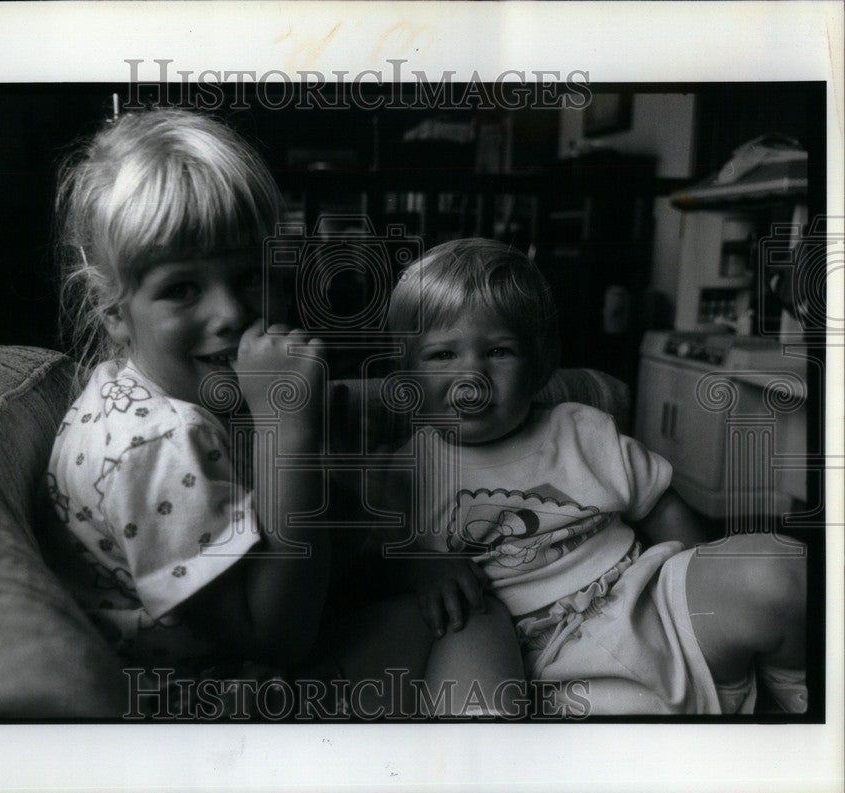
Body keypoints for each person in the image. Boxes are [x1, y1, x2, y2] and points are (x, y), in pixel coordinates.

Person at [43, 109, 522, 719]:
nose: (230, 313)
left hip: (232, 668)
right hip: (212, 709)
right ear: (112, 310)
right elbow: (277, 635)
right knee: (470, 620)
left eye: (248, 277)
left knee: (442, 594)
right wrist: (287, 425)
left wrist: (403, 558)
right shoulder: (160, 441)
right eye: (182, 288)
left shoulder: (143, 392)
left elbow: (282, 528)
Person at [380, 237, 808, 714]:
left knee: (778, 566)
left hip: (655, 610)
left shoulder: (581, 428)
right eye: (442, 356)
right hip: (547, 666)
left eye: (499, 351)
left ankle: (793, 698)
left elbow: (666, 513)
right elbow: (370, 566)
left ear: (539, 365)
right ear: (406, 376)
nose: (473, 375)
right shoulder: (404, 473)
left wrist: (706, 587)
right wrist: (419, 567)